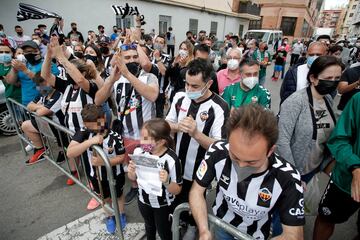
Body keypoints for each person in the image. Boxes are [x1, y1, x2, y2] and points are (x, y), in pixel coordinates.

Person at [189, 104, 305, 240]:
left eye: (251, 162)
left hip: (256, 234)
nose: (241, 166)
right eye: (235, 157)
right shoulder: (217, 151)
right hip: (222, 224)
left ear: (270, 151)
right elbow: (196, 191)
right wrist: (203, 231)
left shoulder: (288, 177)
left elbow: (293, 235)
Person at [165, 58, 229, 239]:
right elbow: (167, 124)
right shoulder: (179, 96)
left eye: (195, 86)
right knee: (176, 197)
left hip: (201, 168)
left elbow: (219, 147)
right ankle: (178, 222)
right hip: (177, 163)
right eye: (187, 84)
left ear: (208, 83)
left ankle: (193, 226)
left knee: (195, 201)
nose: (189, 90)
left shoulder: (220, 106)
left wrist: (196, 134)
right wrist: (178, 127)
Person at [95, 43, 159, 205]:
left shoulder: (149, 76)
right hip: (126, 134)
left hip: (147, 135)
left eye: (135, 56)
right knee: (130, 164)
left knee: (148, 165)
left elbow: (152, 95)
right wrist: (111, 80)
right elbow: (98, 100)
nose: (132, 60)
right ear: (121, 60)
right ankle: (135, 187)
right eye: (128, 57)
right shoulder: (115, 78)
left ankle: (151, 191)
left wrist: (128, 75)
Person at [41, 36, 99, 187]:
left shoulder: (90, 87)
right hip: (71, 130)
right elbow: (45, 76)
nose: (68, 73)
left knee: (91, 163)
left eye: (71, 70)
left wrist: (61, 57)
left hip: (87, 132)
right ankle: (79, 175)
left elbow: (79, 80)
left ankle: (97, 188)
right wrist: (49, 54)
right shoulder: (66, 86)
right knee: (76, 157)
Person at [277, 56, 343, 184]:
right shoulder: (295, 102)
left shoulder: (328, 99)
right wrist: (293, 174)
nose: (333, 82)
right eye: (328, 78)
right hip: (296, 170)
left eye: (337, 78)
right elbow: (282, 141)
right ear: (313, 78)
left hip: (316, 166)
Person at [67, 104, 127, 234]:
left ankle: (121, 214)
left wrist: (104, 162)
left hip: (116, 175)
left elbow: (121, 157)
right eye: (90, 126)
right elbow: (70, 153)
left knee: (118, 196)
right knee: (104, 198)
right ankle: (110, 217)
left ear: (104, 118)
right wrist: (90, 141)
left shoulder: (115, 137)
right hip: (97, 176)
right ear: (85, 124)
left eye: (97, 124)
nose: (94, 128)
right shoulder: (84, 132)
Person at [313, 92, 360, 240]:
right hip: (346, 181)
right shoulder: (358, 100)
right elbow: (339, 139)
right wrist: (355, 167)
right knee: (326, 218)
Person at [127, 119, 182, 240]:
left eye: (146, 139)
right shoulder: (139, 151)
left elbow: (177, 189)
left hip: (163, 205)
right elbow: (133, 177)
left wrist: (167, 182)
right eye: (141, 137)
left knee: (164, 232)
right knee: (149, 226)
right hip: (143, 201)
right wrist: (131, 173)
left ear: (161, 141)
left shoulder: (171, 159)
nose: (141, 142)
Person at [21, 73, 63, 165]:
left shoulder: (58, 94)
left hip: (61, 128)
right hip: (47, 125)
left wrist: (38, 108)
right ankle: (41, 149)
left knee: (65, 144)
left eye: (44, 84)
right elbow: (29, 106)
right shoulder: (43, 94)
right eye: (39, 85)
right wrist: (42, 106)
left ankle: (63, 150)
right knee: (25, 125)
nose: (41, 87)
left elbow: (40, 112)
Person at [6, 40, 59, 106]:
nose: (30, 53)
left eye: (33, 51)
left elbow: (47, 87)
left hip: (42, 104)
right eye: (27, 52)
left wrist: (26, 70)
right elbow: (10, 81)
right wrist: (14, 69)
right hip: (25, 104)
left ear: (39, 51)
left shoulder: (48, 64)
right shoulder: (23, 64)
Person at [151, 34, 171, 118]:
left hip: (160, 91)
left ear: (164, 45)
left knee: (159, 116)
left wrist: (157, 58)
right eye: (157, 41)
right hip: (146, 88)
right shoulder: (147, 54)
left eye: (161, 42)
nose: (158, 44)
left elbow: (164, 72)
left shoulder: (167, 57)